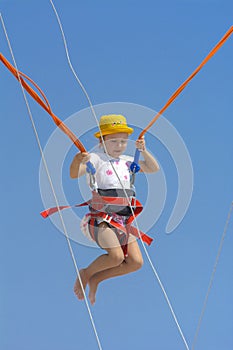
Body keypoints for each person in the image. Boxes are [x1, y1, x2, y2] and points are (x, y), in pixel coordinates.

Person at [70, 114, 160, 305]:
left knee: (136, 263)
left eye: (123, 141)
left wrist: (143, 151)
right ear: (102, 141)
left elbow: (153, 168)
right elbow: (73, 174)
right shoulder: (96, 159)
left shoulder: (128, 162)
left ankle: (96, 278)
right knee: (117, 256)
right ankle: (86, 273)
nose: (119, 145)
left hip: (123, 221)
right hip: (100, 219)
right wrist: (78, 160)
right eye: (114, 141)